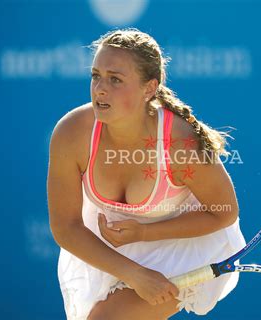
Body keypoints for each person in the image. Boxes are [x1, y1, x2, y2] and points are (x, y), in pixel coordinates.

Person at [47, 28, 246, 320]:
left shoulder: (181, 145)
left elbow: (224, 212)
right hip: (111, 245)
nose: (100, 88)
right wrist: (135, 273)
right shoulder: (71, 133)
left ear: (149, 88)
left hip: (182, 245)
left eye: (115, 79)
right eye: (96, 75)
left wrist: (144, 233)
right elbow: (66, 227)